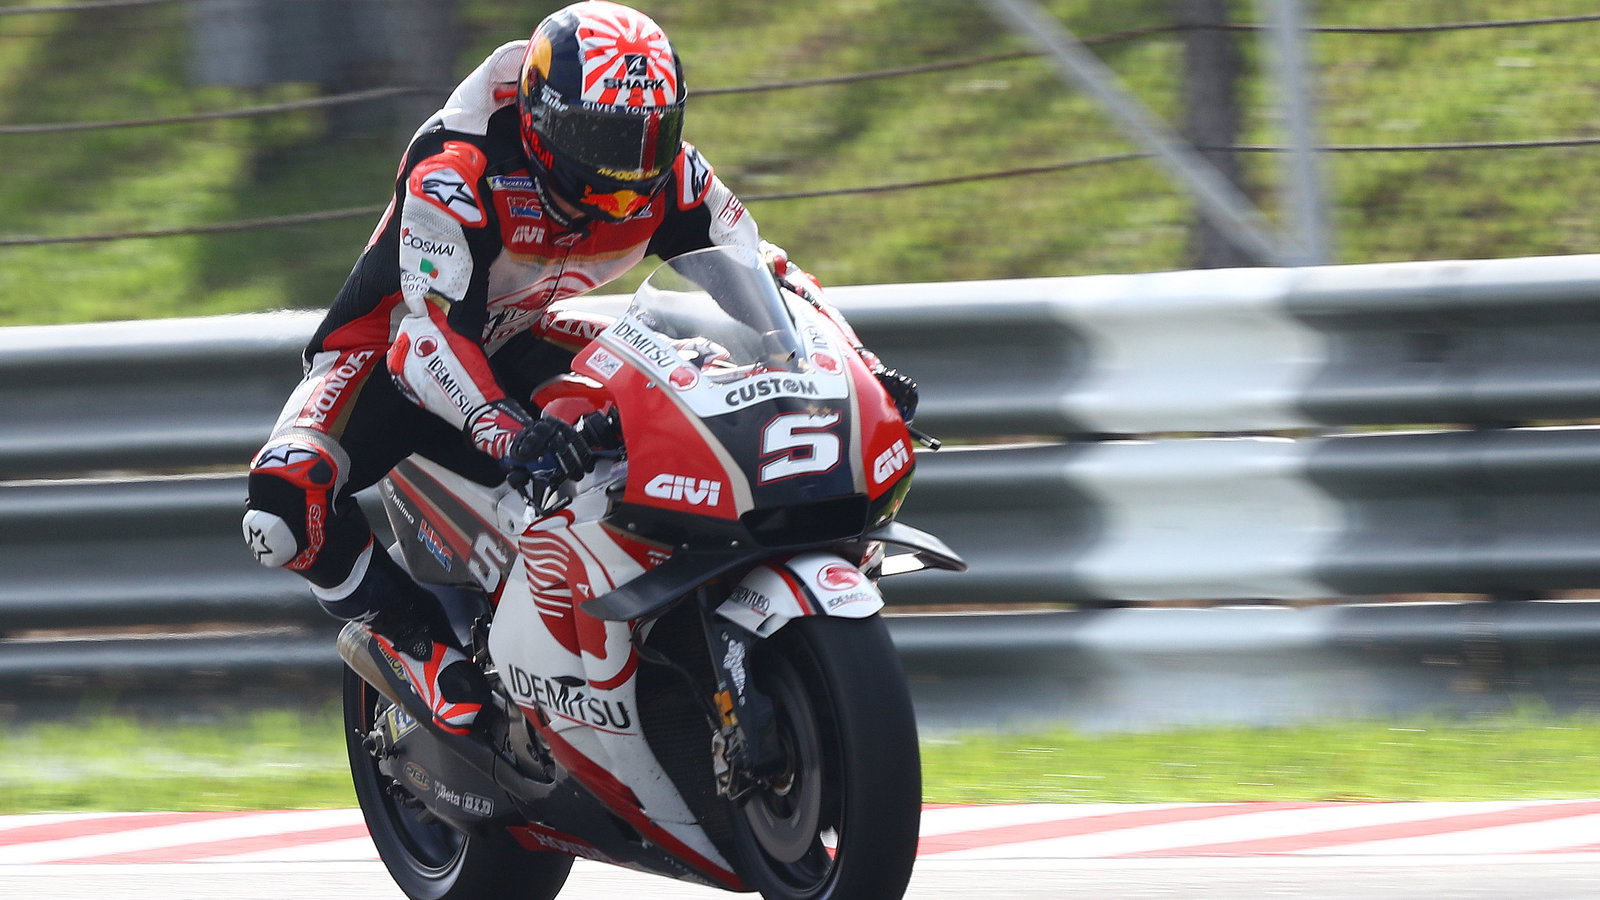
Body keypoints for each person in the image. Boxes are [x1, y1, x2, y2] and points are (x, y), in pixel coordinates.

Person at [240, 1, 918, 735]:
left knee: (693, 383)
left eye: (647, 137)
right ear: (543, 119)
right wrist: (503, 431)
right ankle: (413, 642)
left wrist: (855, 364)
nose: (627, 172)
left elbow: (764, 275)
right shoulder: (459, 168)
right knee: (282, 500)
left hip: (523, 334)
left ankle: (665, 621)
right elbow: (429, 336)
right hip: (393, 357)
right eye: (603, 137)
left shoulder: (672, 177)